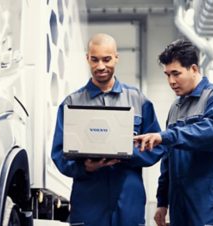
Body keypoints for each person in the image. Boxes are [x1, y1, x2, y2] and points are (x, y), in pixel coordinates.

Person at [51, 33, 165, 226]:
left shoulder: (138, 100)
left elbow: (157, 147)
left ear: (116, 58)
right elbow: (58, 152)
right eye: (94, 60)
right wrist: (85, 167)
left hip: (128, 197)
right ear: (87, 58)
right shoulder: (71, 103)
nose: (101, 66)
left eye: (107, 59)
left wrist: (127, 153)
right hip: (88, 200)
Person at [134, 39, 213, 226]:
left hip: (209, 203)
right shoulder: (176, 106)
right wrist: (162, 201)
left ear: (194, 69)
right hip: (180, 203)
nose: (171, 81)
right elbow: (168, 159)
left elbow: (212, 134)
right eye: (167, 75)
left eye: (176, 74)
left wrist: (165, 136)